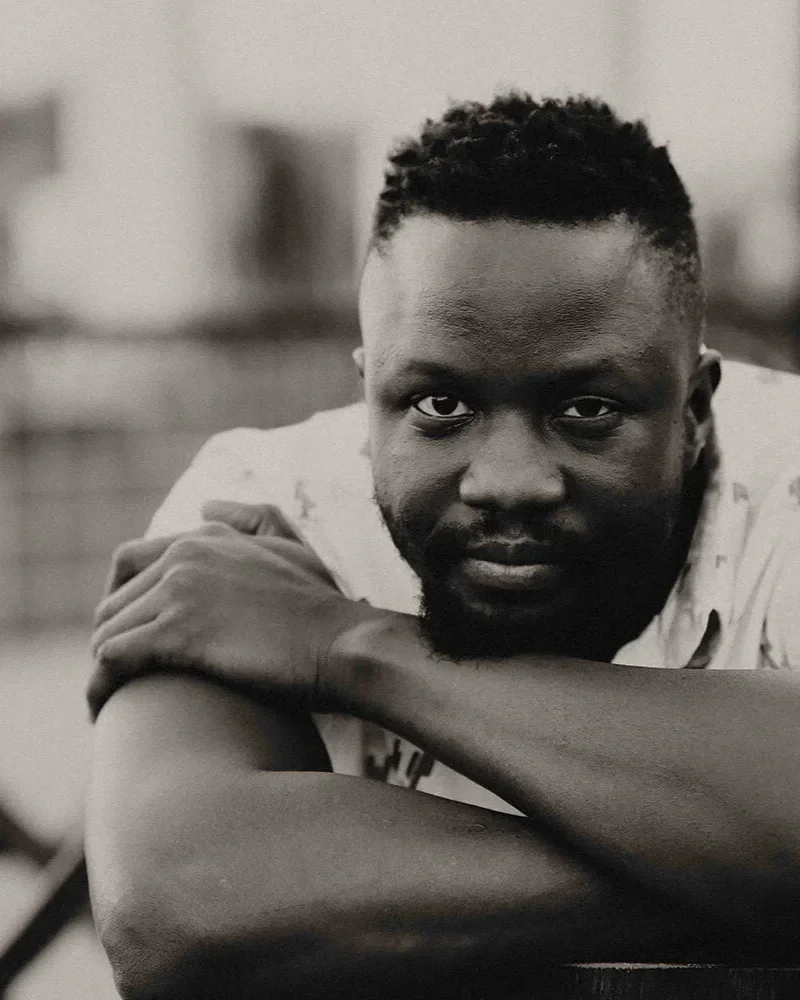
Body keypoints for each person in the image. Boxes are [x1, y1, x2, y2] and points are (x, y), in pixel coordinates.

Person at [86, 94, 800, 1000]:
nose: (508, 481)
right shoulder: (262, 511)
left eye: (587, 409)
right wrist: (745, 861)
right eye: (440, 405)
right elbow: (179, 910)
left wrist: (346, 645)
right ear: (370, 393)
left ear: (694, 409)